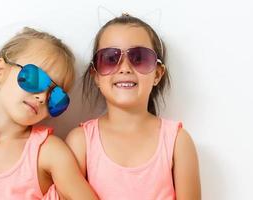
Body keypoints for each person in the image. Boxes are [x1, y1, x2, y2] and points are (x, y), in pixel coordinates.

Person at [0, 27, 98, 200]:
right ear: (0, 70)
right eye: (35, 79)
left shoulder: (49, 152)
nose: (42, 97)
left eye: (56, 96)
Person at [66, 14, 201, 200]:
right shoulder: (80, 141)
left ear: (157, 74)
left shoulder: (178, 142)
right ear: (96, 74)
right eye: (110, 58)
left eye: (139, 58)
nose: (125, 68)